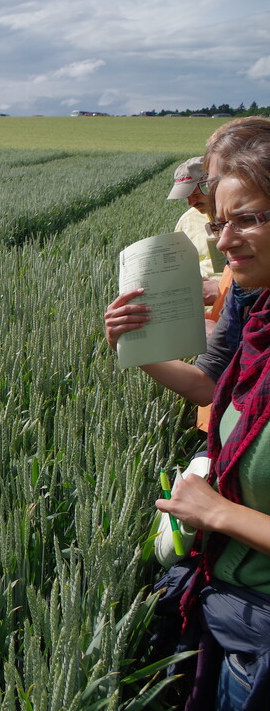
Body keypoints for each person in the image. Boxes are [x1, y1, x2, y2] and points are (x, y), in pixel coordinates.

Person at [146, 120, 270, 708]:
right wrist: (140, 350)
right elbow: (210, 383)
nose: (223, 240)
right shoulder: (259, 330)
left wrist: (218, 511)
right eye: (220, 223)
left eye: (247, 218)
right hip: (237, 613)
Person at [169, 156, 223, 308]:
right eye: (187, 197)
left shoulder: (241, 218)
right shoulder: (186, 221)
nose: (191, 203)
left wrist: (222, 291)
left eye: (196, 195)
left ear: (211, 185)